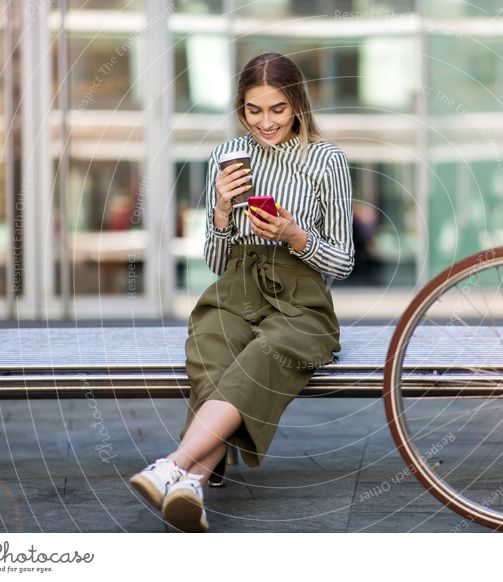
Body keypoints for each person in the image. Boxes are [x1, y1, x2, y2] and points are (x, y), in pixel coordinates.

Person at [130, 53, 354, 532]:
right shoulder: (226, 157)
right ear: (240, 108)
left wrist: (296, 236)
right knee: (212, 350)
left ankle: (175, 465)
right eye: (254, 110)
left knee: (264, 354)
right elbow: (213, 262)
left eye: (277, 109)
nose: (266, 122)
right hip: (235, 284)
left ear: (297, 105)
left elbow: (344, 261)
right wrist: (220, 212)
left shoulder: (326, 161)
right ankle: (191, 482)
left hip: (301, 296)